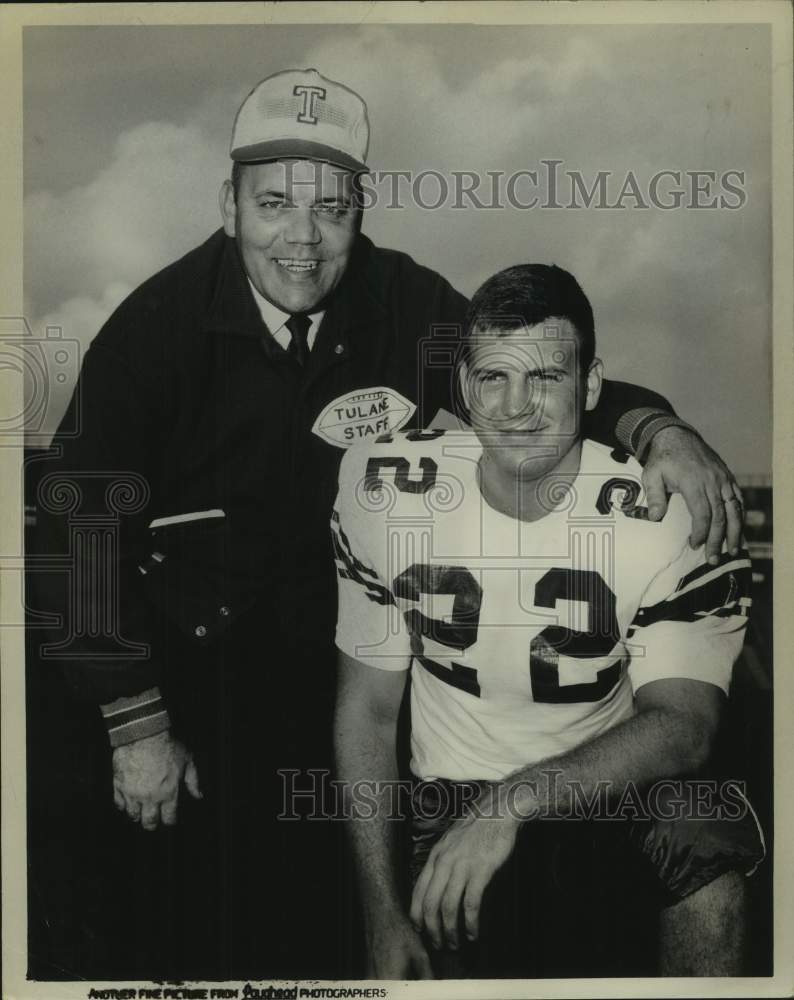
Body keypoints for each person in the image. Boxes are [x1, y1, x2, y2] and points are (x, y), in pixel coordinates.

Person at [29, 70, 745, 980]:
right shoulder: (154, 328)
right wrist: (135, 726)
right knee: (158, 913)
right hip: (189, 667)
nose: (303, 238)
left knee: (347, 918)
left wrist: (659, 428)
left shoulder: (405, 306)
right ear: (228, 204)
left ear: (361, 210)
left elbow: (530, 376)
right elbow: (73, 527)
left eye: (332, 208)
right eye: (274, 203)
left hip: (340, 660)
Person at [332, 263, 764, 979]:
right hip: (449, 795)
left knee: (705, 832)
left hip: (608, 788)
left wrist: (513, 804)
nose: (516, 405)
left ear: (591, 386)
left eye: (546, 378)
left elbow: (687, 725)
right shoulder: (385, 491)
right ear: (465, 386)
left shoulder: (666, 508)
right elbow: (368, 712)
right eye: (494, 378)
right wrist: (381, 913)